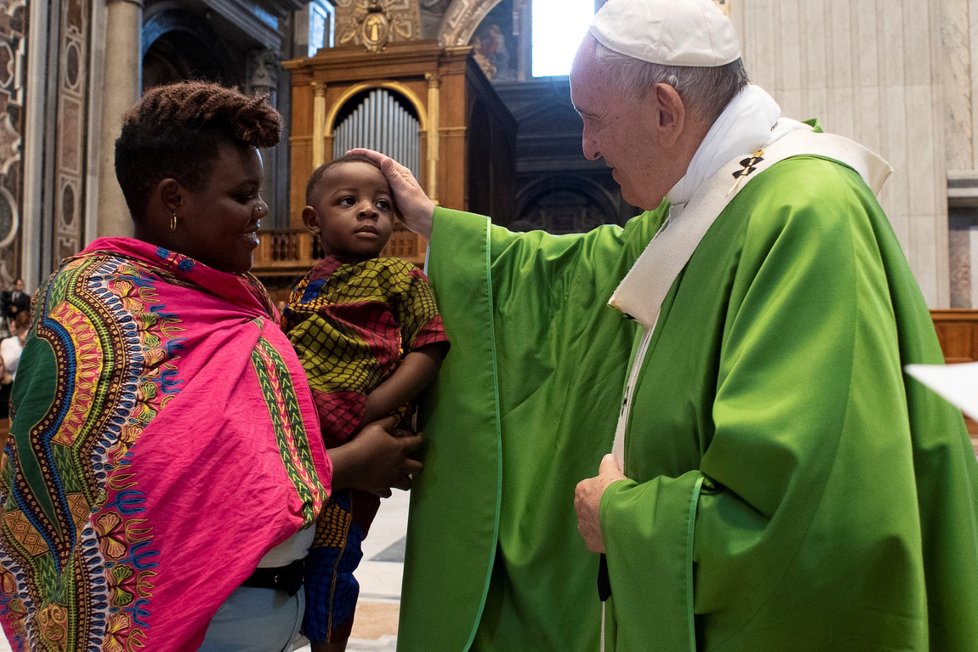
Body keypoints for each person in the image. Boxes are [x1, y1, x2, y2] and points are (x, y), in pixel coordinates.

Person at [351, 0, 978, 648]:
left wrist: (620, 519)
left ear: (664, 110)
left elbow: (810, 516)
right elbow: (575, 273)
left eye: (593, 120)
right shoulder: (710, 203)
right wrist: (436, 225)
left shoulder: (804, 215)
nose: (587, 146)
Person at [0, 81, 420, 652]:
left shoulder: (241, 294)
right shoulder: (95, 300)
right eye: (243, 194)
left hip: (277, 611)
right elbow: (157, 477)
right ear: (174, 198)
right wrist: (352, 463)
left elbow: (271, 434)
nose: (261, 210)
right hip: (190, 624)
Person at [282, 154, 449, 651]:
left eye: (381, 204)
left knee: (336, 555)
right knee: (294, 552)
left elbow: (430, 346)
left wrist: (374, 406)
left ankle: (329, 645)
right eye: (348, 201)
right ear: (314, 220)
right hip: (303, 434)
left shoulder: (401, 278)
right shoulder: (306, 283)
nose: (368, 212)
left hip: (359, 433)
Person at [0, 309, 28, 420]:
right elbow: (5, 366)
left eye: (27, 328)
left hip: (25, 390)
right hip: (9, 388)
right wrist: (22, 345)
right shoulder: (8, 343)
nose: (25, 331)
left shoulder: (34, 345)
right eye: (22, 327)